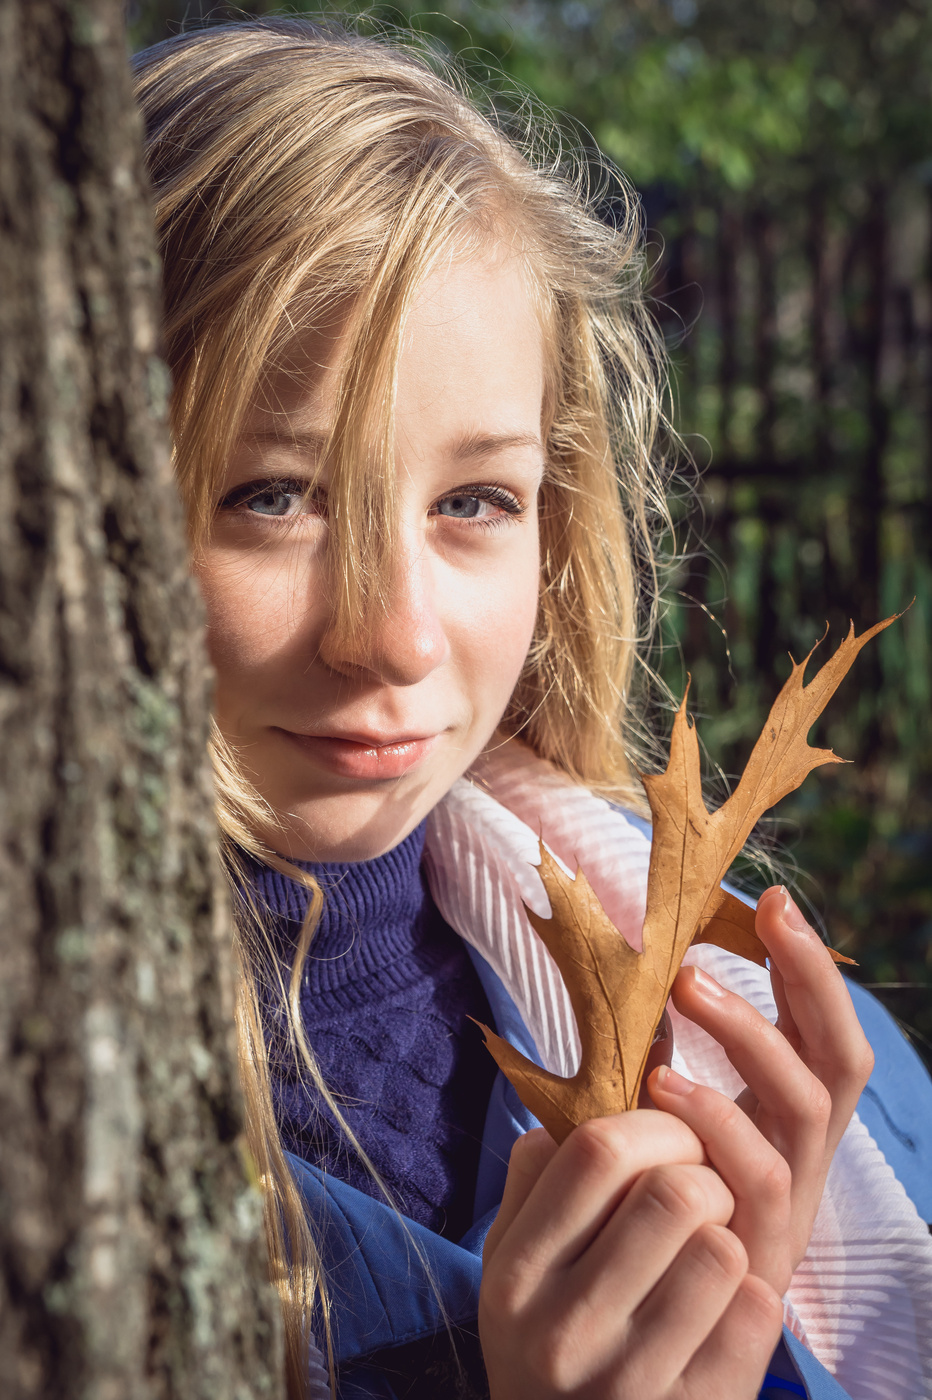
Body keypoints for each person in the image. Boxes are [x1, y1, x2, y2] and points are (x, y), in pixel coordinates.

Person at [132, 18, 932, 1400]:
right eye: (272, 495)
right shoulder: (66, 1123)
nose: (395, 631)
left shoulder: (733, 1037)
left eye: (472, 504)